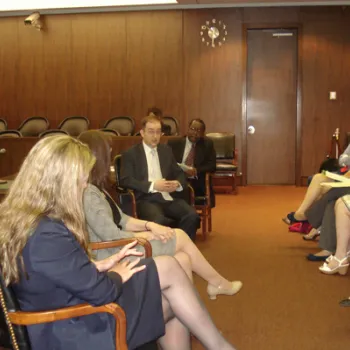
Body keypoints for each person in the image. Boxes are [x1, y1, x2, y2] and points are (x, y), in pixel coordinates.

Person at [0, 135, 238, 350]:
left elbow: (52, 272)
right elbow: (101, 291)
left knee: (172, 281)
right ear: (59, 182)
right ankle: (221, 347)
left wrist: (96, 267)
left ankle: (220, 347)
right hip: (72, 330)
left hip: (68, 308)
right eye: (80, 180)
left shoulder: (26, 219)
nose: (84, 186)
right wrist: (116, 273)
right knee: (174, 288)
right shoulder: (47, 233)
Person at [79, 130, 242, 300]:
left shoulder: (97, 187)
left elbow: (123, 219)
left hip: (121, 244)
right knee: (178, 235)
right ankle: (217, 283)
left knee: (183, 259)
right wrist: (147, 235)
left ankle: (189, 313)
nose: (111, 157)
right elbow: (112, 237)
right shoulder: (89, 193)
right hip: (114, 252)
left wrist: (150, 226)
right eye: (109, 152)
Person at [120, 115, 200, 241]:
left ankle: (180, 245)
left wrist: (177, 184)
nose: (155, 136)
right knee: (159, 220)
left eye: (158, 132)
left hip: (168, 197)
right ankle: (166, 250)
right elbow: (126, 180)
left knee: (192, 216)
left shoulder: (166, 151)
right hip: (145, 199)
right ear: (142, 133)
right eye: (151, 132)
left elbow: (178, 172)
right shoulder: (131, 154)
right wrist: (153, 186)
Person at [282, 144, 350, 225]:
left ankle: (302, 216)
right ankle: (301, 213)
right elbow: (342, 159)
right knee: (318, 178)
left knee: (324, 187)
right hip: (345, 175)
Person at [168, 118, 216, 207]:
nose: (195, 133)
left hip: (196, 182)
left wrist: (196, 170)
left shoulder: (207, 144)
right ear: (188, 129)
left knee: (186, 190)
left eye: (198, 130)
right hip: (176, 179)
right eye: (192, 129)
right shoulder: (174, 143)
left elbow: (212, 166)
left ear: (203, 134)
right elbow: (166, 161)